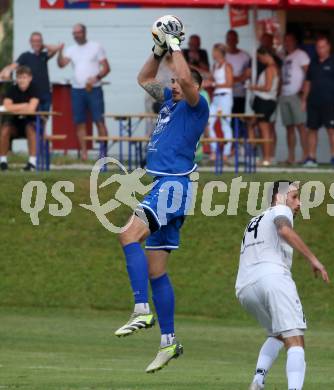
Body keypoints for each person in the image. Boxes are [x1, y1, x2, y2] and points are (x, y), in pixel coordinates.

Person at [113, 19, 209, 374]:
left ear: (195, 87)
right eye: (172, 83)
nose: (173, 85)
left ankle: (141, 310)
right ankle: (169, 342)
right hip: (166, 186)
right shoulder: (170, 102)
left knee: (126, 234)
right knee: (157, 272)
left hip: (172, 186)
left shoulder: (196, 106)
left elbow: (185, 78)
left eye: (179, 82)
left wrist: (176, 45)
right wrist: (158, 50)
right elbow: (143, 78)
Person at [235, 180, 330, 390]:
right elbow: (284, 231)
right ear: (279, 197)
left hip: (245, 287)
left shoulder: (255, 220)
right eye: (294, 197)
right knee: (295, 339)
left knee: (277, 334)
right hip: (272, 278)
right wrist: (313, 259)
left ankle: (258, 382)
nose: (299, 203)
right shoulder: (280, 209)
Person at [57, 23, 110, 160]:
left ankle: (103, 154)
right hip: (77, 90)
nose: (76, 35)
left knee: (99, 120)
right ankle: (84, 154)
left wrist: (97, 77)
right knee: (79, 122)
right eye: (74, 33)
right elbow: (61, 64)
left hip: (94, 89)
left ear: (85, 32)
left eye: (78, 32)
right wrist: (59, 52)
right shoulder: (71, 49)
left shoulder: (96, 47)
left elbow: (106, 68)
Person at [302, 36, 334, 167]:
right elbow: (308, 82)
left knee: (331, 129)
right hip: (313, 102)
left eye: (322, 47)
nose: (320, 49)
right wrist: (304, 99)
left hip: (330, 102)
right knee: (312, 129)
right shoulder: (313, 62)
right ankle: (311, 157)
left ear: (328, 47)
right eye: (318, 47)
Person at [0, 32, 61, 111]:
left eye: (38, 41)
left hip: (45, 93)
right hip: (32, 94)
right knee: (32, 119)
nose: (36, 43)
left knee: (43, 119)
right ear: (30, 42)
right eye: (34, 41)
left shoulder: (44, 55)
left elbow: (56, 49)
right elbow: (13, 66)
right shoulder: (25, 55)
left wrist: (43, 45)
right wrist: (6, 71)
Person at [0, 66, 40, 171]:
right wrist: (24, 105)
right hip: (14, 123)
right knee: (4, 129)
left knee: (31, 129)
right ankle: (3, 162)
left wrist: (14, 108)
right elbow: (6, 106)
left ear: (30, 78)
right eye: (19, 77)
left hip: (30, 122)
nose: (21, 80)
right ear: (16, 79)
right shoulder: (12, 89)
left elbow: (31, 110)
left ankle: (32, 163)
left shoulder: (35, 89)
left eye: (24, 77)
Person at [280, 33, 310, 164]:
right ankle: (291, 157)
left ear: (295, 41)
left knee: (300, 126)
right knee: (289, 127)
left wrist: (303, 89)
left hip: (296, 95)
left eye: (290, 40)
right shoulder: (286, 57)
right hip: (285, 94)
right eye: (285, 41)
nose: (287, 43)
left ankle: (305, 155)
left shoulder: (301, 55)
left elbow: (309, 73)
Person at [250, 47, 279, 166]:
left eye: (260, 58)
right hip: (266, 101)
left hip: (265, 101)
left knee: (264, 129)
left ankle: (267, 157)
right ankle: (263, 156)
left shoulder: (270, 69)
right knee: (253, 125)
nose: (260, 60)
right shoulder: (275, 68)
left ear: (266, 55)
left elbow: (267, 87)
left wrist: (253, 87)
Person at [204, 43, 233, 163]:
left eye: (214, 51)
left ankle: (226, 153)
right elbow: (209, 79)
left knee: (225, 123)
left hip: (225, 97)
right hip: (216, 97)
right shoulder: (215, 66)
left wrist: (213, 84)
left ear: (219, 52)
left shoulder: (227, 66)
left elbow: (230, 83)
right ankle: (214, 151)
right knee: (209, 122)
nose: (213, 54)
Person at [225, 30, 251, 128]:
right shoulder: (223, 56)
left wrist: (232, 80)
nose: (231, 41)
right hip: (226, 94)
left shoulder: (245, 56)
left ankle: (239, 142)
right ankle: (230, 143)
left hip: (240, 94)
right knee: (227, 121)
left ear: (237, 40)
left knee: (239, 120)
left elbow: (248, 74)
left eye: (233, 39)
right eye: (229, 39)